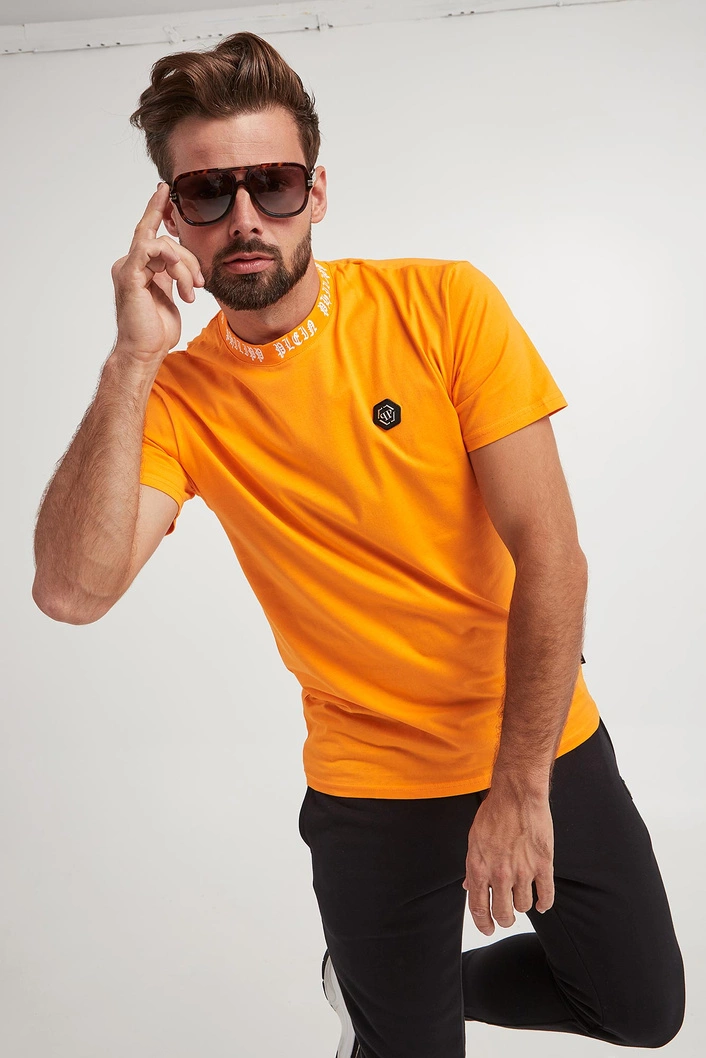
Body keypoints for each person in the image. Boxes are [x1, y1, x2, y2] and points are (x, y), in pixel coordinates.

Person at [32, 31, 685, 1058]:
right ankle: (389, 997)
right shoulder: (176, 398)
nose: (244, 217)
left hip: (537, 736)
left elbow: (551, 551)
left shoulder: (444, 304)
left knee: (640, 1008)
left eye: (272, 183)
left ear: (317, 192)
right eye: (206, 193)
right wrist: (130, 358)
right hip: (369, 781)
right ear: (171, 219)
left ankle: (385, 985)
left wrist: (519, 788)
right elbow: (73, 591)